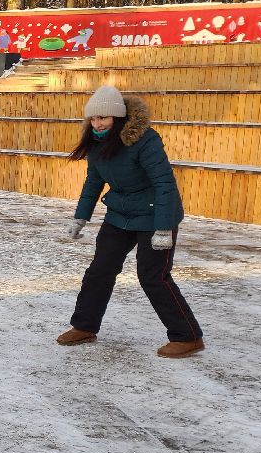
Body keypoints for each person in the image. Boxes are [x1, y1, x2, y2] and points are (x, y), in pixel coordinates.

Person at [58, 86, 204, 357]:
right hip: (120, 214)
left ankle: (188, 336)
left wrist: (163, 228)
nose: (97, 124)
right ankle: (85, 326)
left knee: (153, 276)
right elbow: (93, 182)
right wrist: (80, 217)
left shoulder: (146, 140)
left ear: (118, 116)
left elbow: (164, 184)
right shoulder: (97, 143)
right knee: (100, 270)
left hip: (155, 214)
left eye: (103, 118)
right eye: (93, 118)